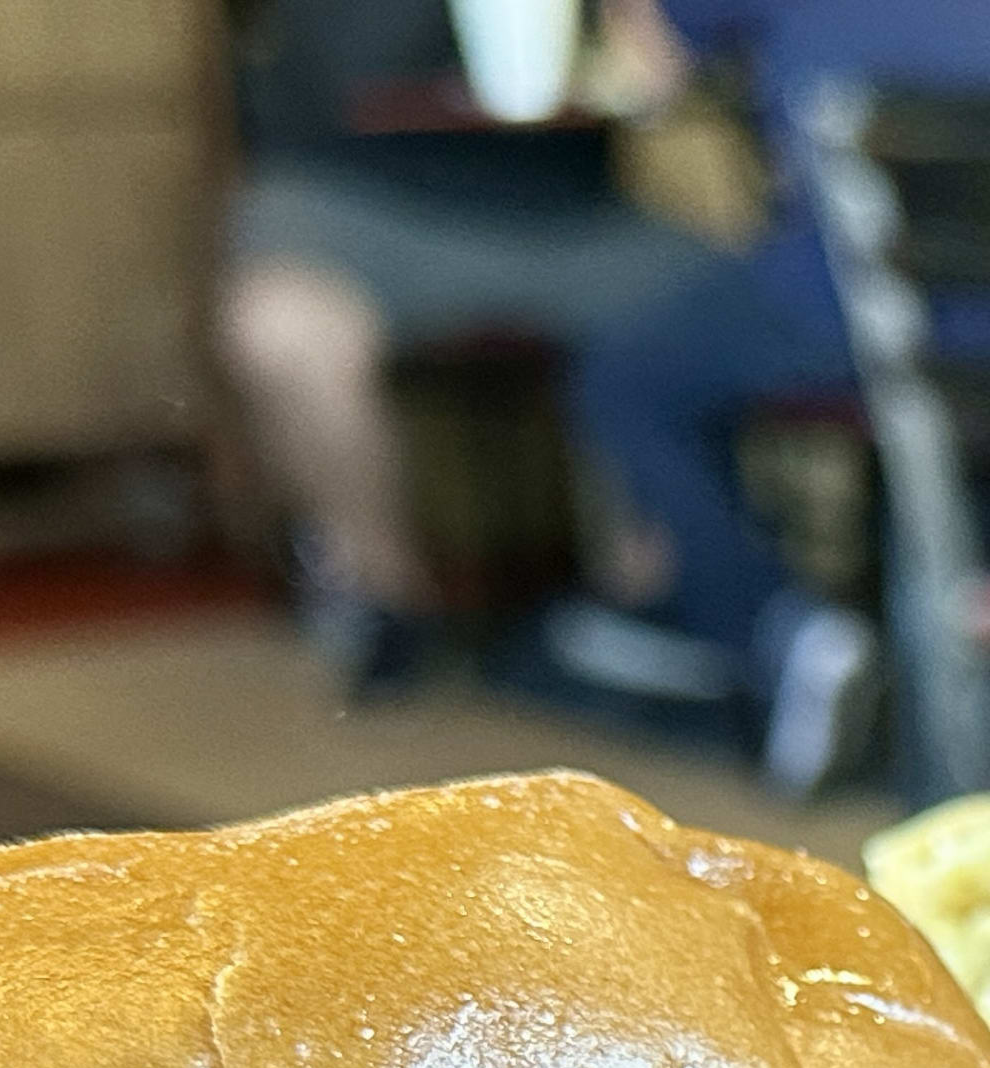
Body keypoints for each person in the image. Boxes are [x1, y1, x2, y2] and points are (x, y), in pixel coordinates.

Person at [554, 0, 990, 793]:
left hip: (873, 302)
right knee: (959, 401)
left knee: (625, 379)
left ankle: (778, 635)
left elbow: (652, 73)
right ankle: (989, 642)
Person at [219, 0, 720, 696]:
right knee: (280, 325)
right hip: (355, 196)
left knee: (714, 311)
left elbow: (664, 63)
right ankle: (380, 593)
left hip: (570, 205)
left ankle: (643, 607)